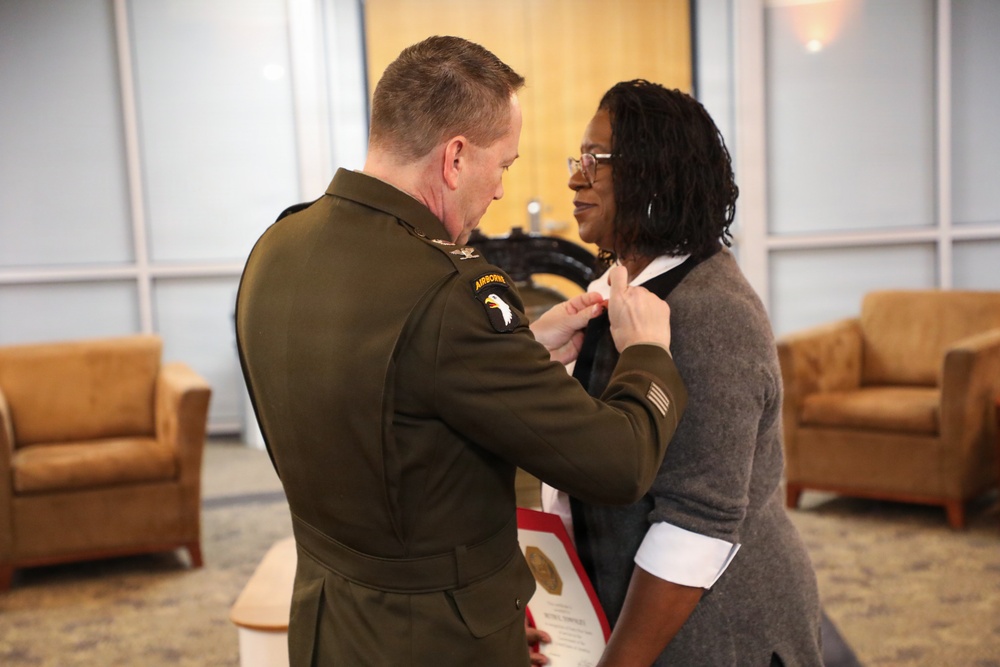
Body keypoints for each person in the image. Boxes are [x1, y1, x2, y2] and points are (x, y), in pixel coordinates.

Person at [235, 38, 689, 666]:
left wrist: (522, 350)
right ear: (454, 159)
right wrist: (646, 355)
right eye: (503, 165)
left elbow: (380, 399)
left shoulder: (277, 247)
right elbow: (618, 465)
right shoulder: (451, 290)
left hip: (328, 622)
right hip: (435, 641)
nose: (500, 191)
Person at [542, 80, 823, 666]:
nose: (575, 179)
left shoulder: (710, 311)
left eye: (595, 160)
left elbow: (698, 523)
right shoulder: (617, 285)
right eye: (578, 159)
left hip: (719, 630)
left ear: (653, 173)